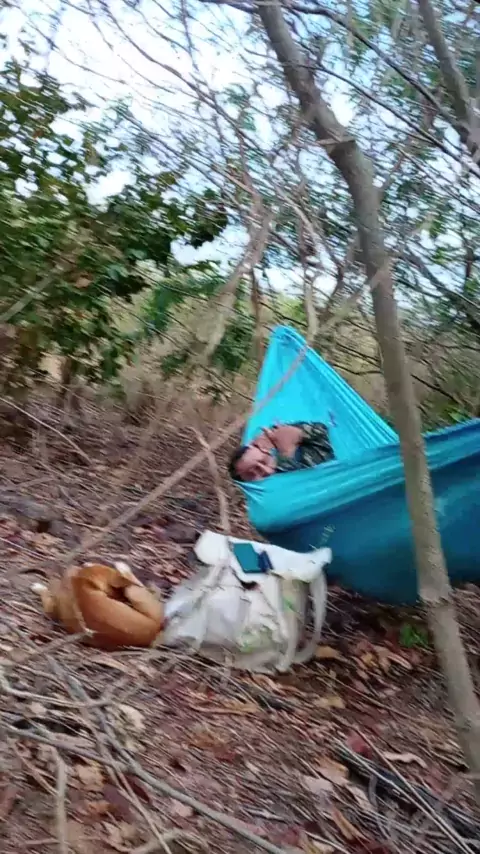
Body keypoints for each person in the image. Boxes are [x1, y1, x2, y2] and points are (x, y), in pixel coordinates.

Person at [229, 422, 335, 482]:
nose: (267, 471)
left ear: (262, 448)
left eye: (263, 462)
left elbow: (331, 434)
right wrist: (287, 453)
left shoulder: (285, 435)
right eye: (252, 475)